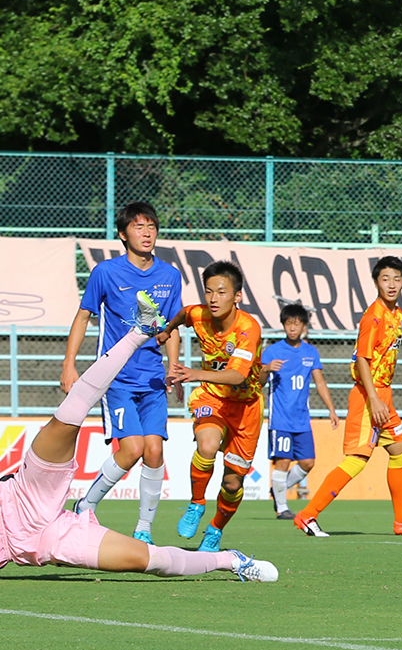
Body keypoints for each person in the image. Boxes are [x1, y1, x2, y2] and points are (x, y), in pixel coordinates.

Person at [2, 291, 277, 582]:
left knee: (69, 415)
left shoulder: (244, 326)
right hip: (43, 543)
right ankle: (230, 560)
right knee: (152, 560)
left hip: (23, 494)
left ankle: (139, 331)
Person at [293, 256, 402, 537]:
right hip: (368, 395)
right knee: (357, 458)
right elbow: (362, 358)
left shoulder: (397, 314)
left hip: (383, 394)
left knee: (400, 449)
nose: (391, 284)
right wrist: (372, 398)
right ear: (375, 283)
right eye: (385, 279)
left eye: (397, 279)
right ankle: (307, 515)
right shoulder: (374, 316)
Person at [64, 202, 182, 545]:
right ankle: (85, 505)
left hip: (153, 379)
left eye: (152, 227)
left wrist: (173, 366)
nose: (147, 233)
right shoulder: (106, 272)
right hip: (116, 377)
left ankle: (144, 530)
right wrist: (69, 364)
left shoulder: (169, 275)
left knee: (155, 451)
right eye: (139, 227)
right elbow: (84, 316)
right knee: (131, 449)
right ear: (122, 234)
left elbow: (172, 326)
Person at [156, 261, 265, 553]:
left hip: (246, 407)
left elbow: (238, 375)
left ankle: (215, 529)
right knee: (206, 446)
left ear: (237, 296)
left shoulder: (248, 328)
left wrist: (197, 373)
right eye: (209, 292)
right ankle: (196, 503)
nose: (214, 299)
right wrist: (167, 331)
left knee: (232, 483)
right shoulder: (199, 313)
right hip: (212, 398)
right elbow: (182, 315)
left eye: (221, 292)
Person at [261, 303, 339, 520]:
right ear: (283, 325)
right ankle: (282, 508)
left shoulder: (310, 352)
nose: (292, 328)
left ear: (304, 326)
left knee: (308, 462)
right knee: (283, 461)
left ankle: (277, 490)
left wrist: (331, 409)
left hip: (302, 419)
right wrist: (266, 369)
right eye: (288, 323)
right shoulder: (273, 351)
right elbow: (257, 381)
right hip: (280, 419)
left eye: (296, 324)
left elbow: (320, 382)